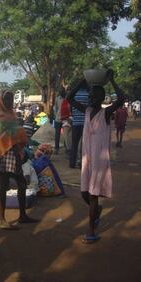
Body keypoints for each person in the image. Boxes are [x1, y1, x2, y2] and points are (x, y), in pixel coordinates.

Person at [67, 70, 124, 244]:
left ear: (101, 98)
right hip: (86, 160)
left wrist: (112, 80)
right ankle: (97, 210)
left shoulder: (106, 113)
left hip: (99, 161)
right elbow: (69, 97)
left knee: (92, 195)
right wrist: (83, 79)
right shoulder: (86, 111)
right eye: (90, 95)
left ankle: (90, 231)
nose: (90, 98)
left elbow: (121, 99)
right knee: (84, 193)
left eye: (94, 95)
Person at [0, 90, 38, 229]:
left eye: (11, 99)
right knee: (3, 185)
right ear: (1, 101)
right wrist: (17, 134)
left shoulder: (10, 115)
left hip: (13, 152)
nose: (9, 102)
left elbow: (14, 132)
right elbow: (2, 135)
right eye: (7, 99)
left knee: (21, 182)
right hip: (3, 153)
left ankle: (22, 215)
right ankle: (0, 218)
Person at [69, 81, 89, 168]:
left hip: (75, 122)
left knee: (74, 144)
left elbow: (70, 108)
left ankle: (72, 163)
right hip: (85, 123)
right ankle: (81, 163)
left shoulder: (75, 95)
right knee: (83, 145)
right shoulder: (88, 95)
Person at [54, 87, 66, 154]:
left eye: (62, 91)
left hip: (66, 119)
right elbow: (55, 108)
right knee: (57, 134)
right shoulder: (57, 99)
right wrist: (56, 115)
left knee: (66, 134)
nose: (61, 92)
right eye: (60, 91)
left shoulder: (67, 98)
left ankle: (67, 148)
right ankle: (56, 148)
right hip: (58, 119)